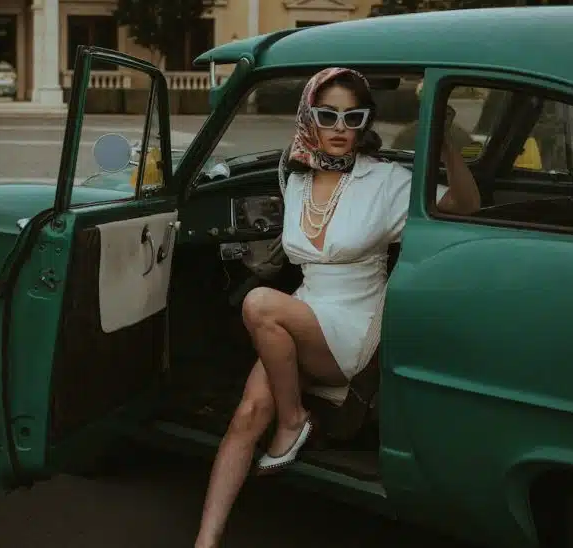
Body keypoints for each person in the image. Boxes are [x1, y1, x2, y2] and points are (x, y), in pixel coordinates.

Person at [194, 67, 480, 548]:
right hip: (304, 311)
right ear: (310, 118)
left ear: (366, 121)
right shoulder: (296, 179)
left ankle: (293, 420)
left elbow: (465, 203)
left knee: (260, 303)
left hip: (354, 324)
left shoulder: (387, 180)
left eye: (353, 116)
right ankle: (205, 540)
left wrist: (446, 135)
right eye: (328, 115)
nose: (341, 127)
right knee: (245, 417)